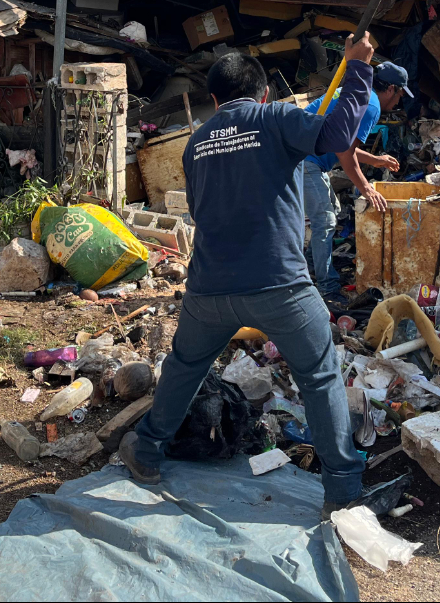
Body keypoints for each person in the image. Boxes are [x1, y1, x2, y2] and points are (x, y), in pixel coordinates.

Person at [120, 34, 378, 514]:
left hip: (210, 288)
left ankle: (148, 451)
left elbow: (198, 210)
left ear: (214, 100)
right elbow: (338, 136)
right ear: (262, 93)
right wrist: (359, 69)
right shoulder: (275, 117)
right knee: (320, 379)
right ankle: (342, 489)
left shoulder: (196, 143)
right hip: (281, 286)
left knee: (185, 367)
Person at [301, 62, 412, 305]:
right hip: (303, 157)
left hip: (305, 154)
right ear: (391, 89)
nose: (398, 102)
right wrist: (366, 188)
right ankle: (327, 288)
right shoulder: (371, 106)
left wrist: (376, 160)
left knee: (332, 213)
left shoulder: (361, 94)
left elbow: (344, 146)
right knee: (326, 222)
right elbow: (345, 153)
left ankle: (309, 267)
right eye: (400, 95)